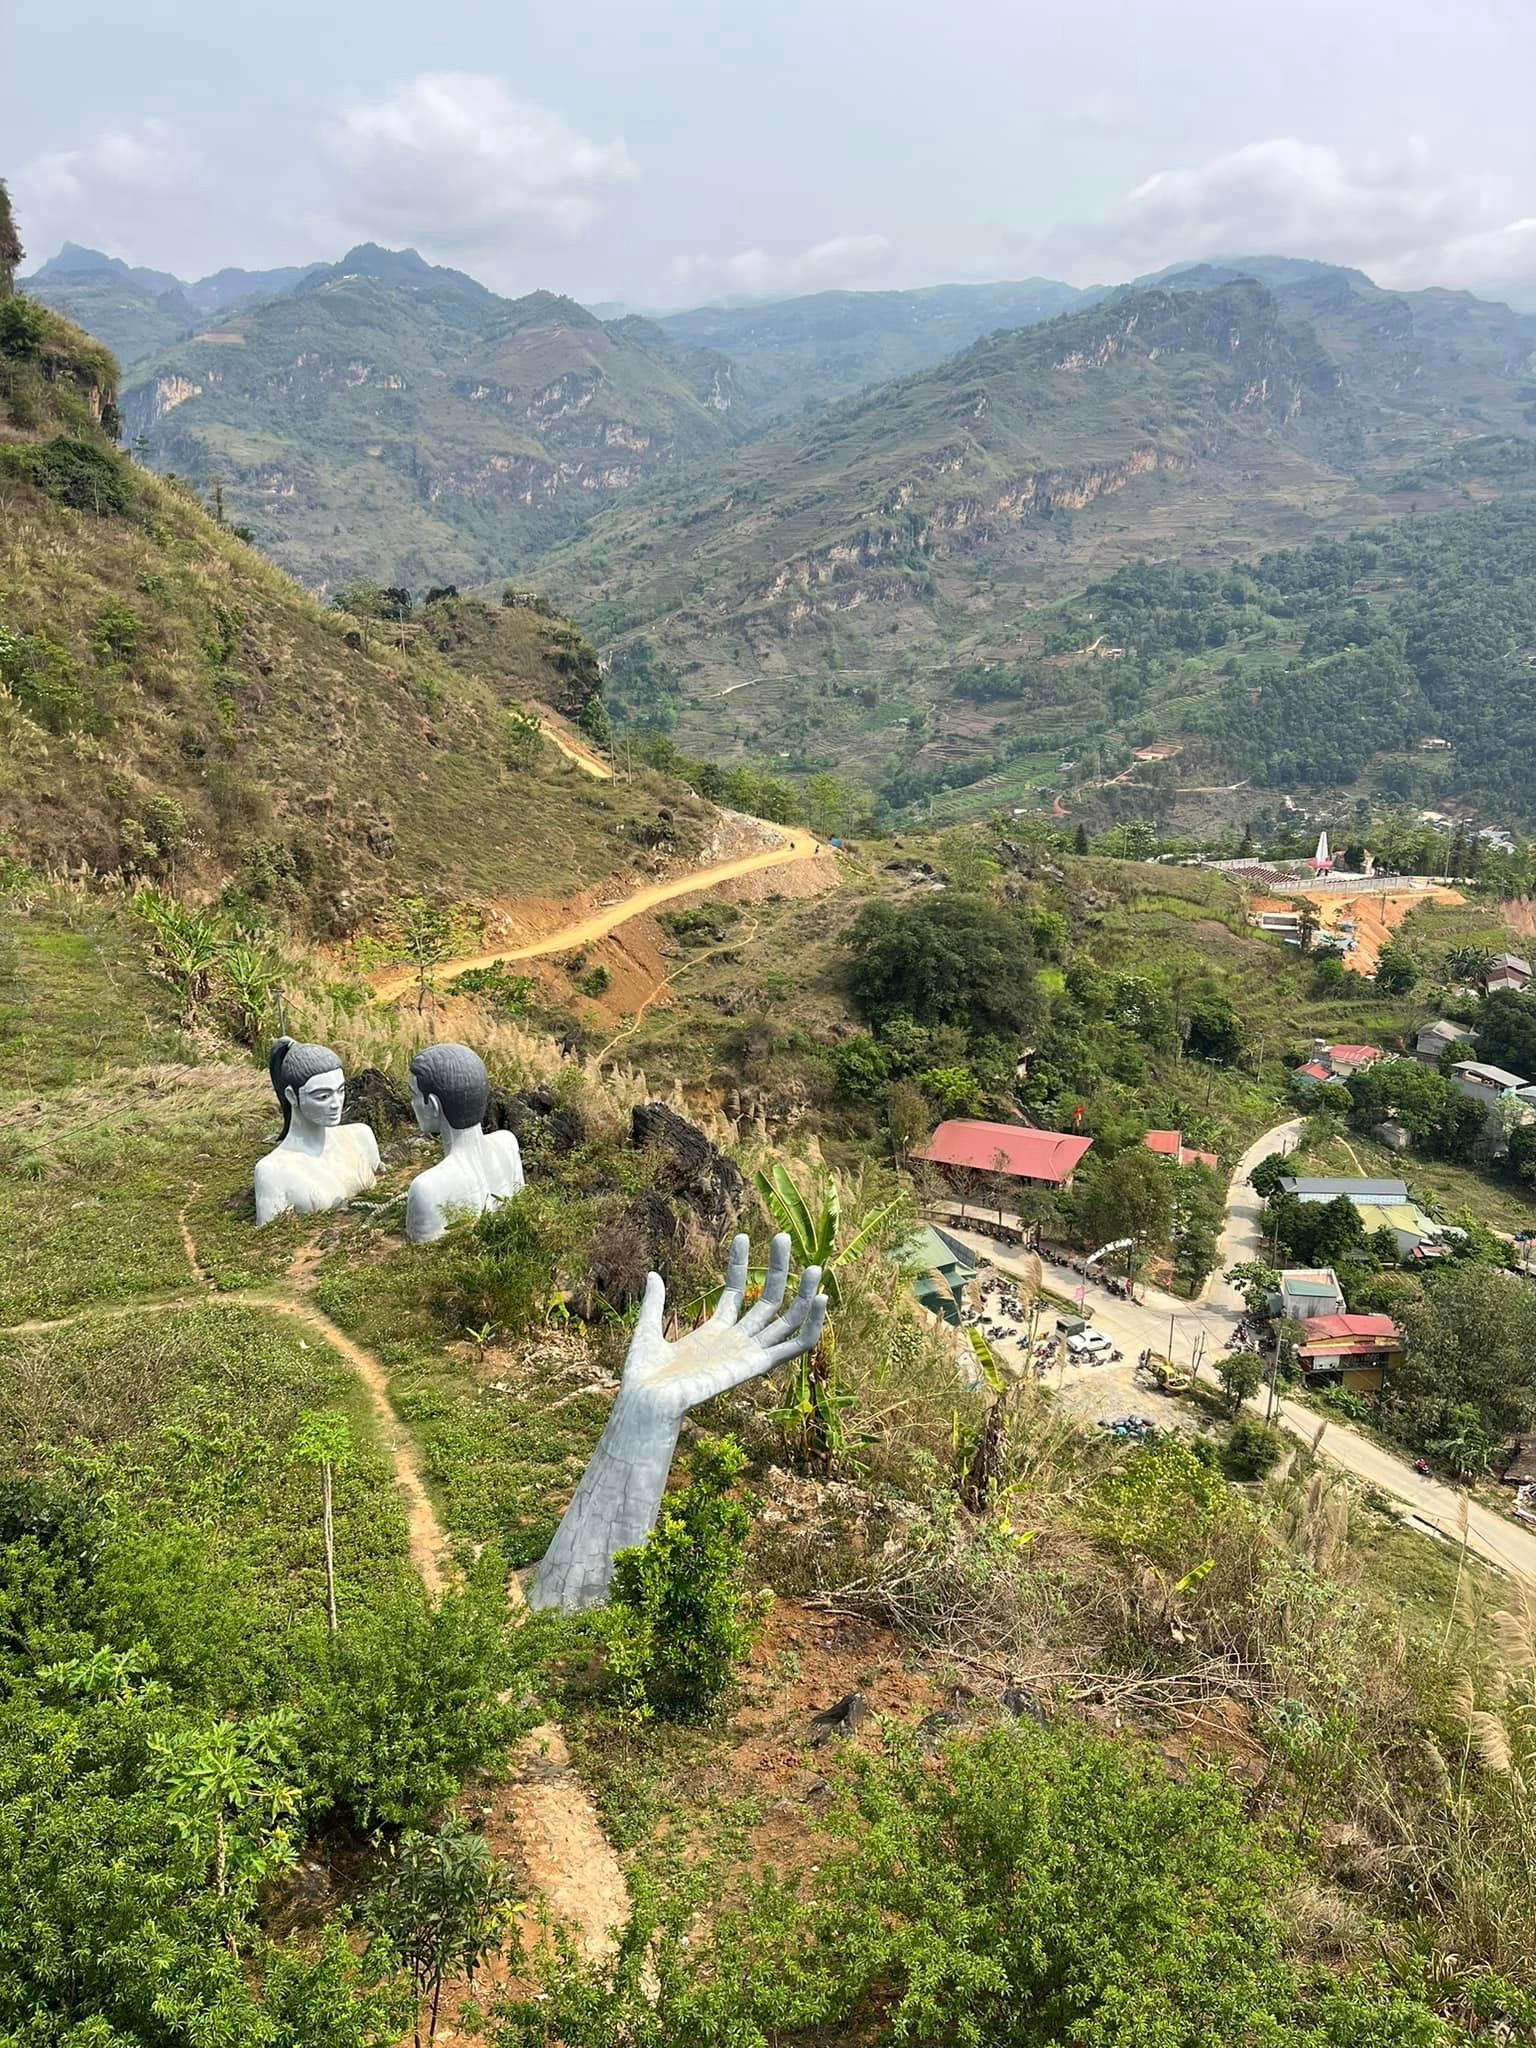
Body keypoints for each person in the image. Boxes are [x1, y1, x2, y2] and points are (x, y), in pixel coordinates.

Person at [405, 1042, 524, 1244]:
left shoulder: (426, 1188)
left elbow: (420, 1254)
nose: (411, 1103)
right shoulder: (507, 1143)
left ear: (433, 1105)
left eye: (414, 1095)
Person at [254, 1038, 379, 1224]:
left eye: (341, 1091)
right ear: (291, 1096)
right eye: (323, 1096)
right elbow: (271, 1235)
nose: (336, 1104)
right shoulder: (272, 1171)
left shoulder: (361, 1136)